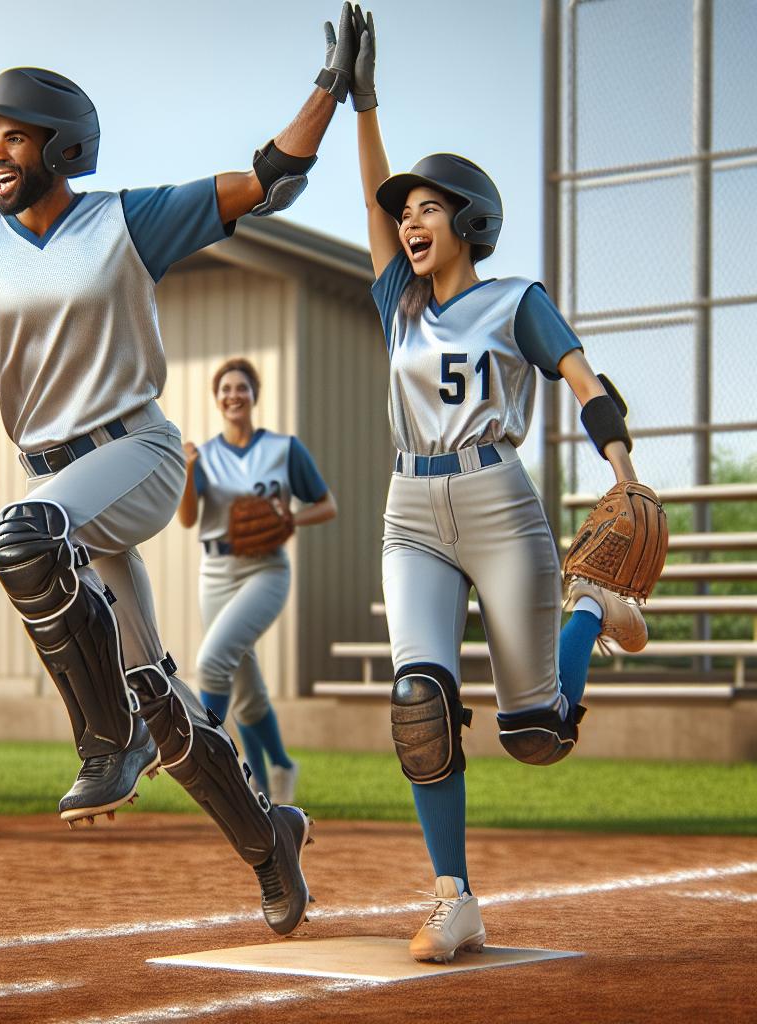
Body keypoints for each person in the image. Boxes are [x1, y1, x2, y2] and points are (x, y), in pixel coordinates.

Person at [0, 6, 358, 936]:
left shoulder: (123, 221)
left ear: (62, 148)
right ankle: (271, 843)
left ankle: (100, 742)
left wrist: (328, 90)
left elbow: (265, 180)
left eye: (13, 137)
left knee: (22, 535)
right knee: (155, 687)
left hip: (135, 455)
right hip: (64, 488)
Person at [349, 6, 648, 961]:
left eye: (427, 207)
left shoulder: (516, 299)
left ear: (468, 220)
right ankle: (454, 898)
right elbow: (369, 207)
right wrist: (364, 102)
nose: (408, 221)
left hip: (499, 506)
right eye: (405, 212)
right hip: (410, 513)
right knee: (419, 705)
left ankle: (590, 609)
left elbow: (581, 376)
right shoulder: (398, 306)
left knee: (536, 734)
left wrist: (624, 469)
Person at [178, 358, 336, 805]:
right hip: (216, 572)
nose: (233, 394)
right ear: (217, 399)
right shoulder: (204, 455)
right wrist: (188, 471)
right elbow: (188, 519)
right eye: (225, 388)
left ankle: (209, 768)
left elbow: (327, 504)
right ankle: (273, 776)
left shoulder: (284, 449)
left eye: (241, 387)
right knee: (246, 691)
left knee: (211, 663)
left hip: (266, 570)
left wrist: (293, 518)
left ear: (253, 395)